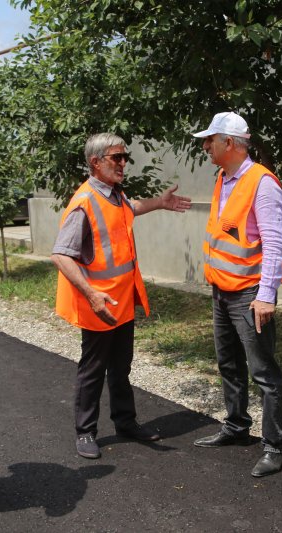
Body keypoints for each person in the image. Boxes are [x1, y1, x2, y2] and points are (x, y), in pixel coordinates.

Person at [51, 132, 192, 459]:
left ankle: (125, 422)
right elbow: (60, 255)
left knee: (120, 366)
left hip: (121, 300)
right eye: (117, 158)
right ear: (96, 162)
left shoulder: (114, 194)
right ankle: (85, 432)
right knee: (93, 369)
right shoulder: (84, 202)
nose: (123, 163)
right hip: (98, 304)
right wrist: (90, 293)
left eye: (125, 157)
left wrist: (159, 202)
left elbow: (129, 209)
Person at [191, 112, 282, 477]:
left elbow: (275, 243)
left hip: (250, 294)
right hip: (223, 291)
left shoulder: (261, 183)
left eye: (210, 140)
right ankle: (236, 426)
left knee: (264, 371)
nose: (206, 146)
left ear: (229, 143)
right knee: (229, 364)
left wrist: (266, 296)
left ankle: (276, 445)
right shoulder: (223, 178)